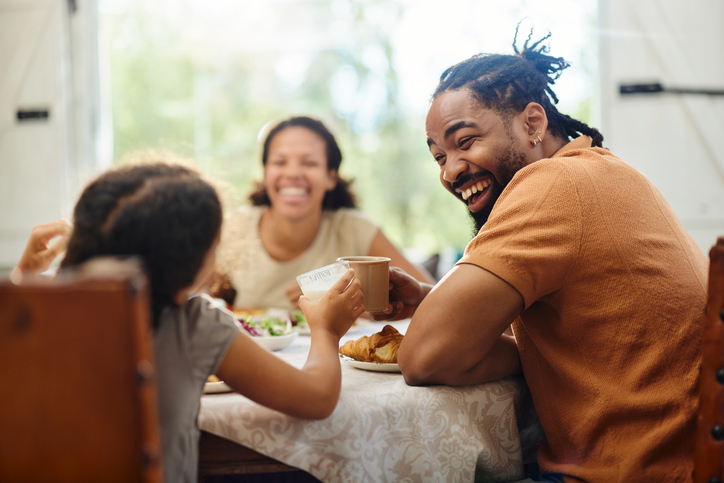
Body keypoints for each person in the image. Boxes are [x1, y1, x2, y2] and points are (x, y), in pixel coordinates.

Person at [374, 31, 707, 482]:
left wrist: (442, 321)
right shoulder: (601, 171)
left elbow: (423, 357)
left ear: (533, 123)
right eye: (438, 157)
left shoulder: (552, 185)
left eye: (465, 141)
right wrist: (436, 300)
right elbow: (570, 339)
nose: (451, 171)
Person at [13, 161, 365, 483]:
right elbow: (317, 398)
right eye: (214, 248)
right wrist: (325, 329)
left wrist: (23, 281)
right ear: (186, 265)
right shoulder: (193, 324)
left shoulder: (37, 318)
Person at [214, 115, 434, 310]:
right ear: (265, 173)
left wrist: (350, 304)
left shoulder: (355, 229)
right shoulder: (234, 228)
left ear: (331, 177)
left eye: (309, 163)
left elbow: (437, 298)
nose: (292, 173)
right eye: (279, 162)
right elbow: (204, 300)